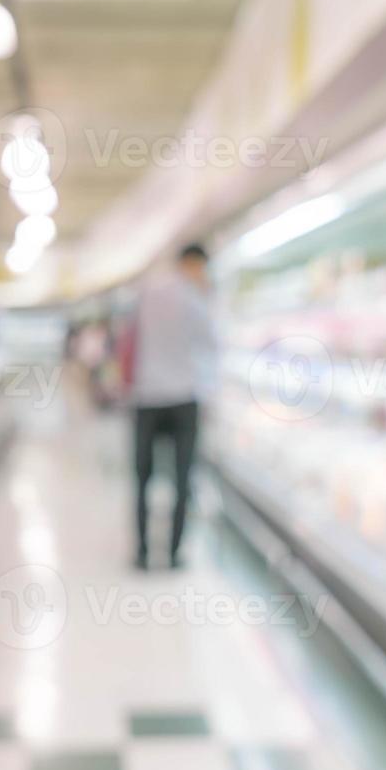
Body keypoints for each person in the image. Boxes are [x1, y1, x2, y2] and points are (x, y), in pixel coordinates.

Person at [124, 243, 216, 571]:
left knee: (142, 479)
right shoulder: (196, 297)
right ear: (196, 264)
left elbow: (129, 336)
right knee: (182, 478)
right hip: (184, 397)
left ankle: (143, 552)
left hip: (146, 397)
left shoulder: (146, 291)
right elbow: (211, 344)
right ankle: (175, 552)